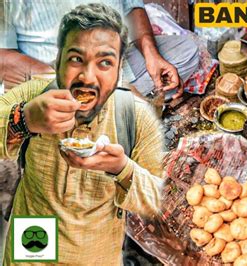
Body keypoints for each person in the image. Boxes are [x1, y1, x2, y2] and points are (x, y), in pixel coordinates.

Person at [1, 4, 166, 264]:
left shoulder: (134, 115)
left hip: (96, 247)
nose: (88, 78)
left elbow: (157, 195)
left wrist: (122, 168)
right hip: (38, 228)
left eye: (104, 63)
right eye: (76, 58)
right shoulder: (31, 96)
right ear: (60, 58)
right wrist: (25, 119)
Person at [0, 0, 200, 100]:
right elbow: (4, 58)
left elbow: (131, 6)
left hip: (116, 59)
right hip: (55, 76)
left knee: (188, 51)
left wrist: (151, 53)